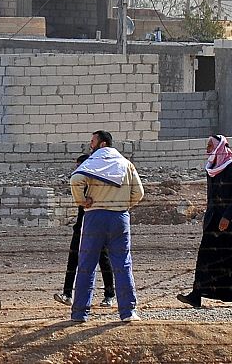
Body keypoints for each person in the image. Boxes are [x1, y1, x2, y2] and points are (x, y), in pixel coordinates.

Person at [68, 130, 143, 323]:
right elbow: (139, 193)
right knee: (123, 264)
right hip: (119, 218)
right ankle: (128, 312)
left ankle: (80, 313)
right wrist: (123, 205)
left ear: (102, 144)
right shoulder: (126, 164)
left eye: (92, 141)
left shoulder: (91, 163)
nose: (90, 145)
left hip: (95, 216)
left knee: (86, 264)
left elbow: (75, 180)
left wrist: (82, 201)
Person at [176, 135, 232, 309]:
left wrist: (227, 217)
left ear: (220, 147)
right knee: (206, 257)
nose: (208, 149)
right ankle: (196, 295)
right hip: (213, 220)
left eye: (210, 145)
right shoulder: (211, 168)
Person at [56, 153, 115, 308]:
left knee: (103, 260)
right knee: (73, 260)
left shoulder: (98, 185)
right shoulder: (81, 183)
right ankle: (67, 293)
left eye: (79, 166)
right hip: (81, 226)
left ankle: (109, 295)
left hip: (96, 228)